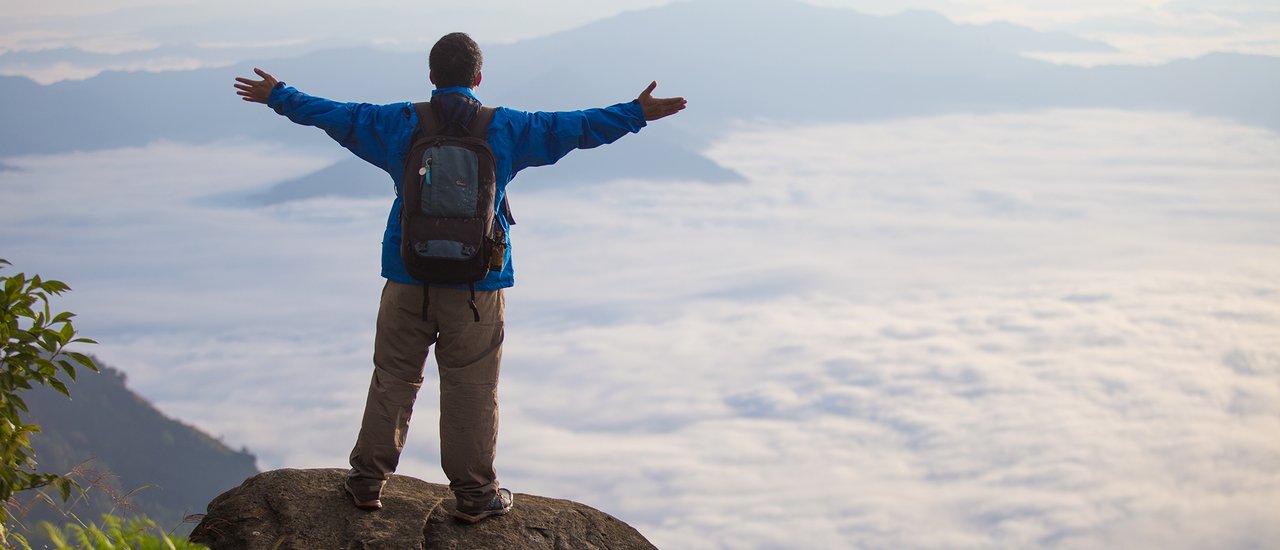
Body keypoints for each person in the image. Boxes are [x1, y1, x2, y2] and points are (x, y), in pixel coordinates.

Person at [233, 32, 686, 523]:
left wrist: (279, 97)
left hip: (407, 276)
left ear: (431, 76)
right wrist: (636, 112)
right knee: (472, 386)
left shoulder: (397, 122)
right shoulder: (507, 127)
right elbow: (573, 127)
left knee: (394, 377)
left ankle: (366, 482)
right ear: (478, 78)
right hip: (478, 285)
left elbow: (338, 114)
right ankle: (474, 495)